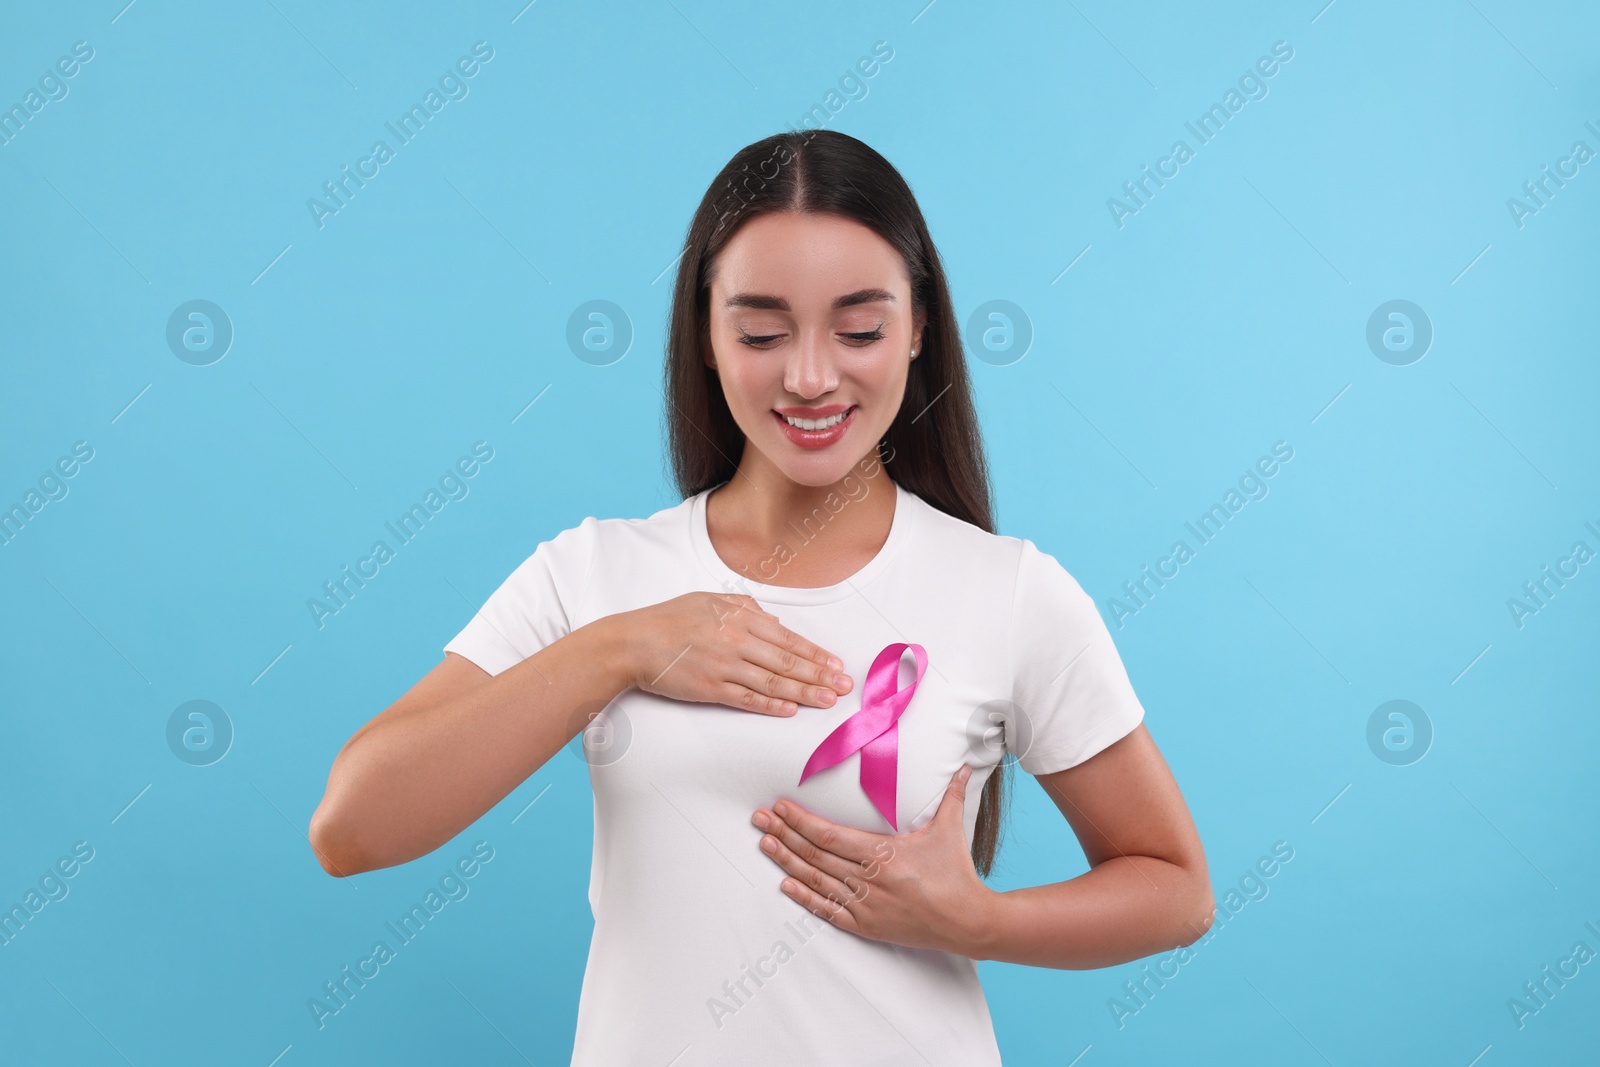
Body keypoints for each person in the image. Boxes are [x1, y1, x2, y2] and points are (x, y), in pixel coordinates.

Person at [309, 129, 1212, 1065]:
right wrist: (615, 651)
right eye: (761, 331)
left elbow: (1176, 888)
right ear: (703, 332)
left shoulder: (1009, 589)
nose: (811, 376)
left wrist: (977, 920)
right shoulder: (594, 575)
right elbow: (354, 826)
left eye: (859, 329)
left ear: (919, 328)